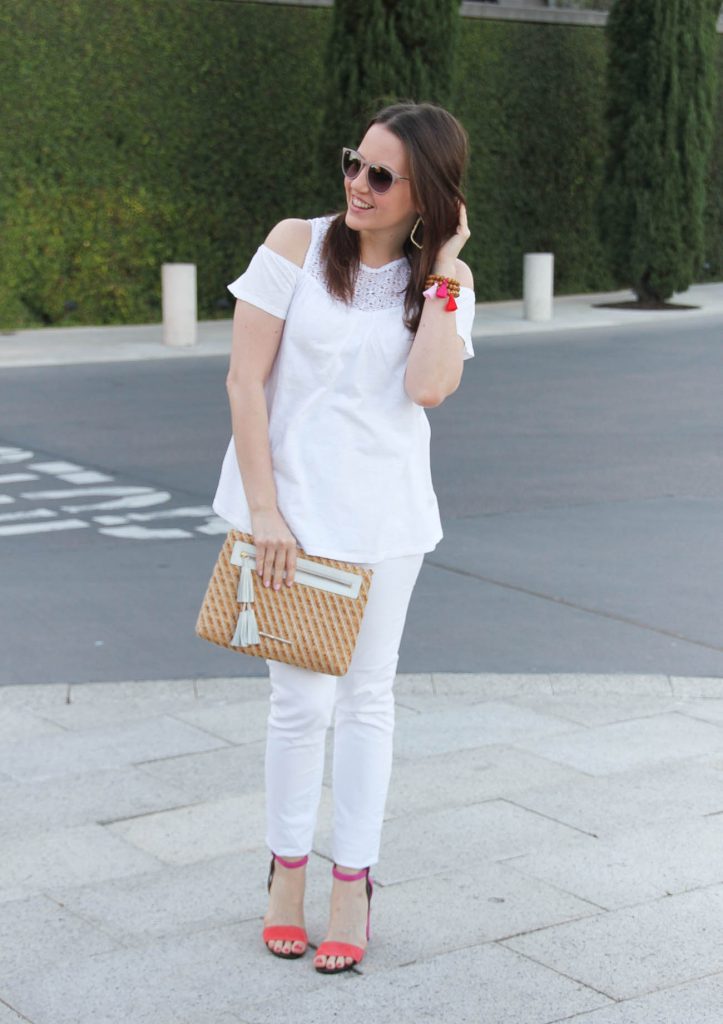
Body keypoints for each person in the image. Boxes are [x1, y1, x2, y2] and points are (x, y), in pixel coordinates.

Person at [212, 101, 475, 974]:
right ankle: (287, 874)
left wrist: (442, 267)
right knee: (300, 703)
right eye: (353, 163)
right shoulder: (294, 242)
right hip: (290, 514)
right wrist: (266, 514)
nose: (357, 185)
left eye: (380, 175)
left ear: (425, 194)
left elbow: (430, 387)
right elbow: (246, 381)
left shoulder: (441, 284)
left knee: (367, 699)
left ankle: (351, 883)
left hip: (386, 519)